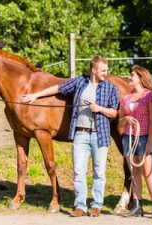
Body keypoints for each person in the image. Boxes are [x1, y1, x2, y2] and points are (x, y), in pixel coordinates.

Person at [20, 55, 119, 217]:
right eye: (103, 70)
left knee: (99, 173)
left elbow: (114, 112)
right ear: (93, 70)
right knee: (79, 171)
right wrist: (35, 95)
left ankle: (96, 205)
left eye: (106, 70)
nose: (106, 73)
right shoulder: (80, 82)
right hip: (80, 134)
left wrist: (99, 109)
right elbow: (58, 88)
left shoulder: (110, 88)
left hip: (100, 135)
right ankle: (80, 205)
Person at [118, 65, 152, 219]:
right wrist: (125, 119)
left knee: (148, 173)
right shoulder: (126, 98)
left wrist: (150, 141)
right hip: (128, 138)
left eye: (132, 75)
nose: (130, 77)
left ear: (141, 79)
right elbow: (120, 122)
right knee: (134, 172)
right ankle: (137, 205)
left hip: (143, 137)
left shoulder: (149, 96)